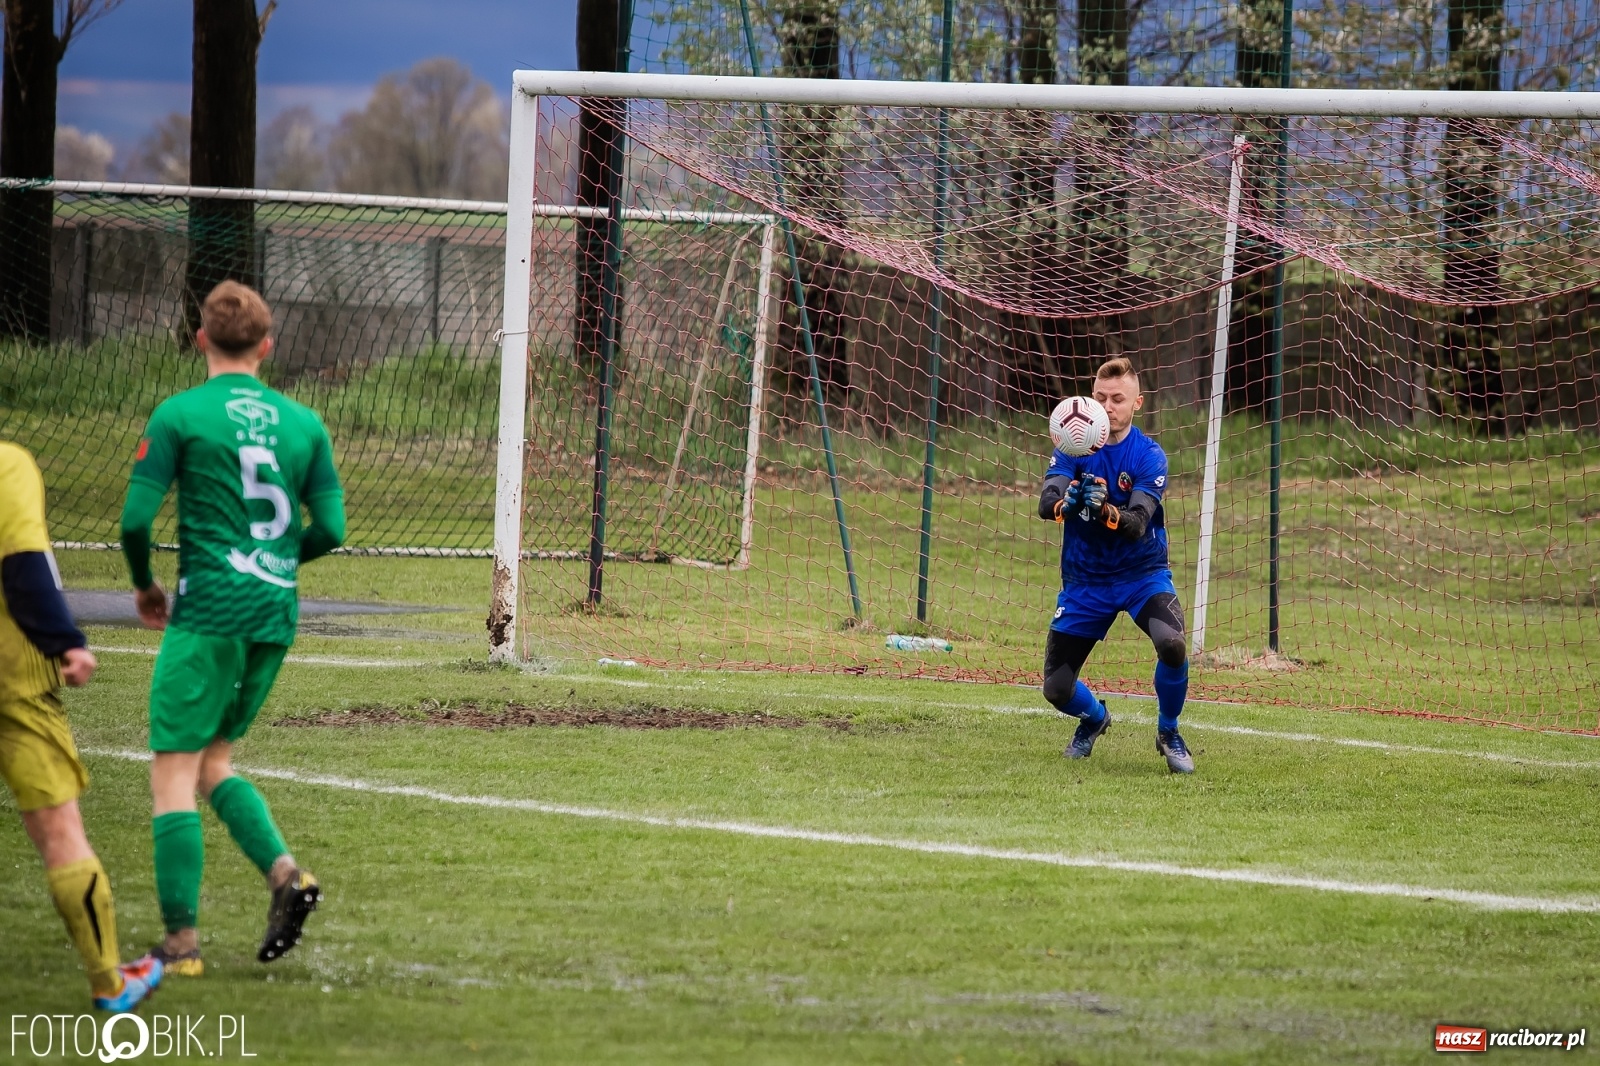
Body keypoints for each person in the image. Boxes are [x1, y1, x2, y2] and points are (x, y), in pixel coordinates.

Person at [121, 280, 346, 976]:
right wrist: (278, 561)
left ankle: (181, 946)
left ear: (201, 342)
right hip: (273, 614)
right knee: (213, 763)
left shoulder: (181, 414)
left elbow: (134, 521)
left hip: (211, 608)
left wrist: (144, 585)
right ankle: (286, 877)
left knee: (172, 777)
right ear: (267, 346)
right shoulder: (305, 424)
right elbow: (331, 530)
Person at [1, 441, 164, 1009]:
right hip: (14, 680)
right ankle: (109, 981)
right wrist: (66, 642)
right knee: (59, 832)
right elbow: (24, 567)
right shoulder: (8, 463)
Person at [1037, 357, 1194, 774]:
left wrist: (1105, 509)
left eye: (1118, 399)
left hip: (1141, 576)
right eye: (1101, 397)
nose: (1108, 406)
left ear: (1136, 403)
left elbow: (1138, 524)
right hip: (1085, 581)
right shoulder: (1071, 446)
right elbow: (1045, 503)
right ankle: (1094, 718)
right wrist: (1066, 504)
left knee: (1173, 646)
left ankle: (1169, 731)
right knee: (1055, 688)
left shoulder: (1149, 455)